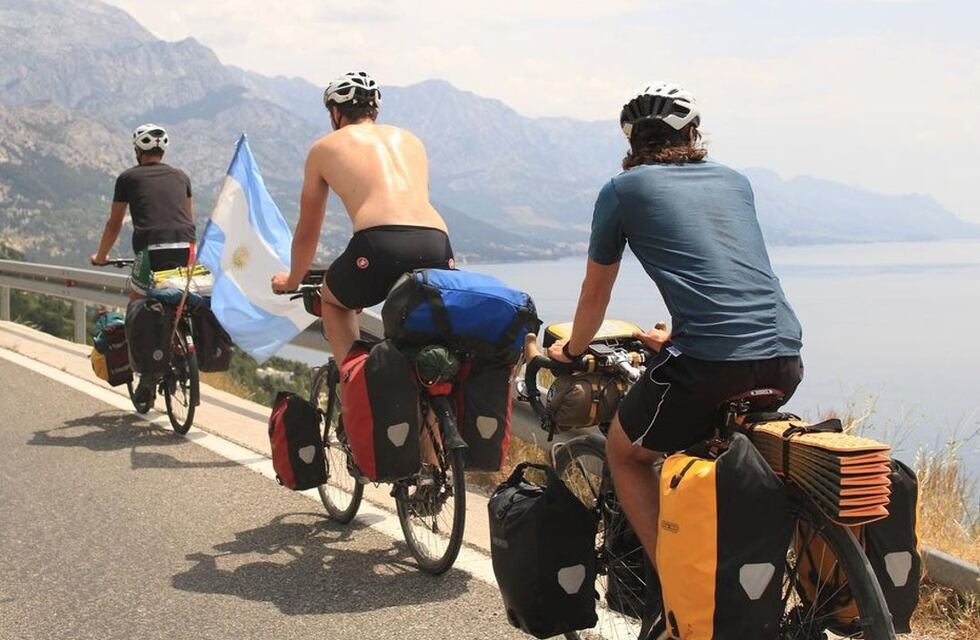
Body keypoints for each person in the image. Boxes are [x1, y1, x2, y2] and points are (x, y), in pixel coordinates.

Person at [547, 82, 804, 569]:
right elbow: (730, 277)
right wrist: (678, 339)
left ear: (633, 143)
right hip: (785, 355)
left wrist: (573, 350)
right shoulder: (736, 181)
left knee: (626, 453)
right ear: (692, 134)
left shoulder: (623, 190)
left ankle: (677, 584)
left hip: (709, 363)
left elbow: (594, 293)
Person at [270, 71, 454, 364]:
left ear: (335, 112)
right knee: (428, 330)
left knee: (333, 301)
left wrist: (292, 280)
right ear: (375, 110)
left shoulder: (324, 148)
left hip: (379, 244)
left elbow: (308, 231)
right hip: (437, 243)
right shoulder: (411, 141)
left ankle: (353, 381)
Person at [92, 124, 195, 402]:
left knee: (138, 306)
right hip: (187, 248)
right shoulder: (181, 176)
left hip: (151, 250)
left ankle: (148, 378)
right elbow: (188, 218)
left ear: (137, 150)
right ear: (163, 151)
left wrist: (101, 256)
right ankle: (183, 347)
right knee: (179, 300)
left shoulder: (127, 178)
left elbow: (114, 224)